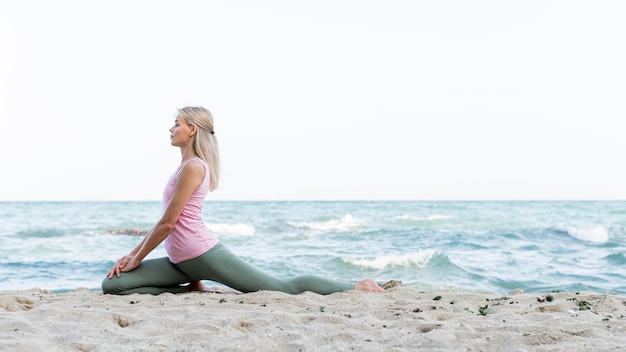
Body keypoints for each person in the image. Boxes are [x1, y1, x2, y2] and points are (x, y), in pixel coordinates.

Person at [102, 106, 385, 295]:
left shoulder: (194, 167)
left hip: (202, 254)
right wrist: (132, 256)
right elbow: (165, 221)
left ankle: (358, 286)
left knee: (281, 288)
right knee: (113, 285)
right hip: (181, 262)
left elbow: (168, 223)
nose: (171, 128)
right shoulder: (184, 166)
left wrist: (136, 256)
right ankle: (192, 290)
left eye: (177, 124)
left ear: (192, 130)